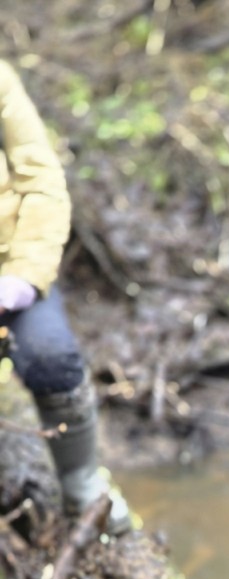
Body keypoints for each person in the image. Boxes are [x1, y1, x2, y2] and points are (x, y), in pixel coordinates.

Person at [0, 58, 129, 533]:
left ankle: (81, 484)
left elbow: (42, 181)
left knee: (51, 356)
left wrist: (23, 276)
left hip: (12, 266)